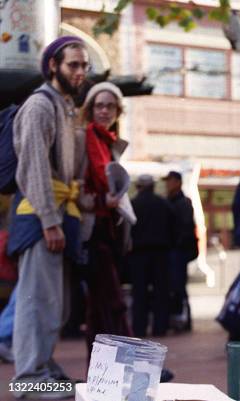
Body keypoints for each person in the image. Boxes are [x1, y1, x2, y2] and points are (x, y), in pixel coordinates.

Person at [8, 35, 89, 398]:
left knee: (56, 303)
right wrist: (49, 220)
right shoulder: (40, 105)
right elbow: (35, 167)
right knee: (37, 302)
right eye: (73, 64)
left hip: (59, 214)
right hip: (42, 216)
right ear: (53, 65)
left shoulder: (65, 106)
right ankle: (29, 379)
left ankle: (44, 368)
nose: (80, 71)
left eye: (84, 65)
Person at [79, 82, 133, 358]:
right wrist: (102, 201)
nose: (104, 110)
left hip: (108, 228)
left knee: (100, 305)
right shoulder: (87, 135)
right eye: (99, 105)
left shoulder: (108, 140)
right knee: (112, 301)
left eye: (110, 106)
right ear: (90, 109)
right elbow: (82, 184)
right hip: (92, 230)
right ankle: (133, 361)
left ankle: (98, 370)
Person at [129, 175, 176, 337]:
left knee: (139, 292)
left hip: (139, 253)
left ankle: (139, 328)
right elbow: (173, 228)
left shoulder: (133, 204)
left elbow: (128, 230)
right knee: (161, 292)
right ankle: (160, 327)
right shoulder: (164, 204)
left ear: (138, 186)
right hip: (161, 253)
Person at [163, 170, 197, 332]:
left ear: (177, 182)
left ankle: (183, 320)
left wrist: (176, 245)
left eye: (169, 181)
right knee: (174, 286)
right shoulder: (170, 201)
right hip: (175, 250)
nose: (167, 184)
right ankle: (177, 319)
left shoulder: (182, 203)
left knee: (178, 286)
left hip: (178, 251)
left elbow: (185, 229)